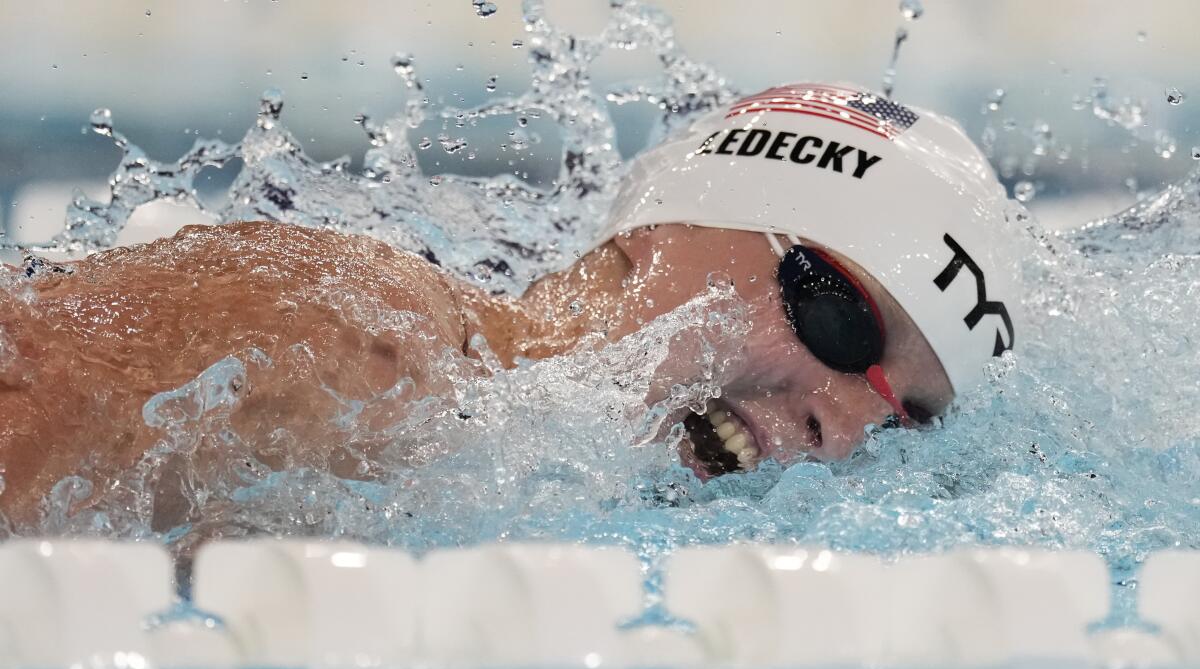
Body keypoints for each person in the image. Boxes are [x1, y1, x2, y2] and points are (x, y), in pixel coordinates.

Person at [0, 82, 1020, 527]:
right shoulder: (366, 349)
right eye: (838, 318)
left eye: (900, 417)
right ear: (668, 222)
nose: (837, 430)